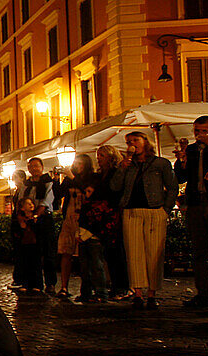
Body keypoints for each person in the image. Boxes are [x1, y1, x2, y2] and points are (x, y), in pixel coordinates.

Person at [110, 131, 178, 310]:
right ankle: (138, 293)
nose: (132, 144)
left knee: (154, 253)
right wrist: (122, 168)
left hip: (155, 210)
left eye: (135, 140)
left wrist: (166, 209)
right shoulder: (127, 165)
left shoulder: (160, 163)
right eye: (129, 141)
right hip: (131, 211)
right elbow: (115, 187)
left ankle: (152, 293)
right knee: (134, 253)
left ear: (145, 142)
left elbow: (172, 187)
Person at [173, 115, 208, 309]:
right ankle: (205, 295)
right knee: (200, 252)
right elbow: (181, 177)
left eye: (204, 131)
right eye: (197, 131)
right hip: (195, 203)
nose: (200, 135)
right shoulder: (192, 150)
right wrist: (181, 161)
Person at [53, 153, 94, 299]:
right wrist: (57, 179)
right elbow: (58, 195)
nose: (77, 166)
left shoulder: (90, 178)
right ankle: (64, 286)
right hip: (69, 219)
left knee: (85, 256)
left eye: (80, 164)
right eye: (76, 163)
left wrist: (72, 177)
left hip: (84, 220)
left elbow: (88, 192)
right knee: (66, 252)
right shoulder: (70, 180)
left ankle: (87, 290)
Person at [94, 146, 129, 299]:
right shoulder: (101, 174)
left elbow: (115, 190)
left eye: (101, 155)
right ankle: (115, 284)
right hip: (104, 215)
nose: (99, 158)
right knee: (109, 252)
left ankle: (122, 286)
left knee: (117, 251)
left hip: (113, 213)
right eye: (98, 155)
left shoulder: (116, 172)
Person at [22, 158, 57, 291]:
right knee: (33, 253)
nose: (34, 169)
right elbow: (22, 199)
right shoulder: (27, 185)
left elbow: (47, 201)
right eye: (31, 167)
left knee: (48, 252)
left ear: (42, 167)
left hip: (44, 219)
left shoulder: (48, 182)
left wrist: (36, 215)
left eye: (36, 166)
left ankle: (50, 283)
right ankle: (35, 283)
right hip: (30, 220)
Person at [75, 177, 112, 303]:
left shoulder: (100, 206)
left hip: (94, 238)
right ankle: (86, 292)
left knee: (97, 266)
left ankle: (101, 292)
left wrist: (84, 234)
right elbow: (81, 220)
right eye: (86, 192)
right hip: (84, 238)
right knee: (84, 267)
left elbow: (97, 223)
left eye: (89, 192)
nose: (87, 194)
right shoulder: (86, 205)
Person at [10, 198, 45, 294]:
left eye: (32, 203)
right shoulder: (18, 219)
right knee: (24, 264)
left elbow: (40, 232)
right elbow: (15, 232)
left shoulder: (37, 218)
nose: (31, 205)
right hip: (23, 245)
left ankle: (37, 285)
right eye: (28, 204)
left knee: (36, 265)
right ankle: (25, 284)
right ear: (22, 208)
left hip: (35, 245)